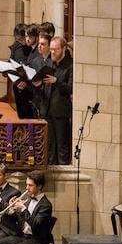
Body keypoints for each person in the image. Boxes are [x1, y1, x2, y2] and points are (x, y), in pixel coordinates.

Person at [37, 35, 73, 164]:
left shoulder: (70, 66)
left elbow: (70, 89)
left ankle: (63, 171)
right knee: (49, 147)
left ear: (63, 49)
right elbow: (43, 87)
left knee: (62, 146)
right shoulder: (48, 63)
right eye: (51, 49)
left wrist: (56, 81)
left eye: (55, 50)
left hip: (61, 112)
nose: (52, 52)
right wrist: (37, 84)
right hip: (47, 110)